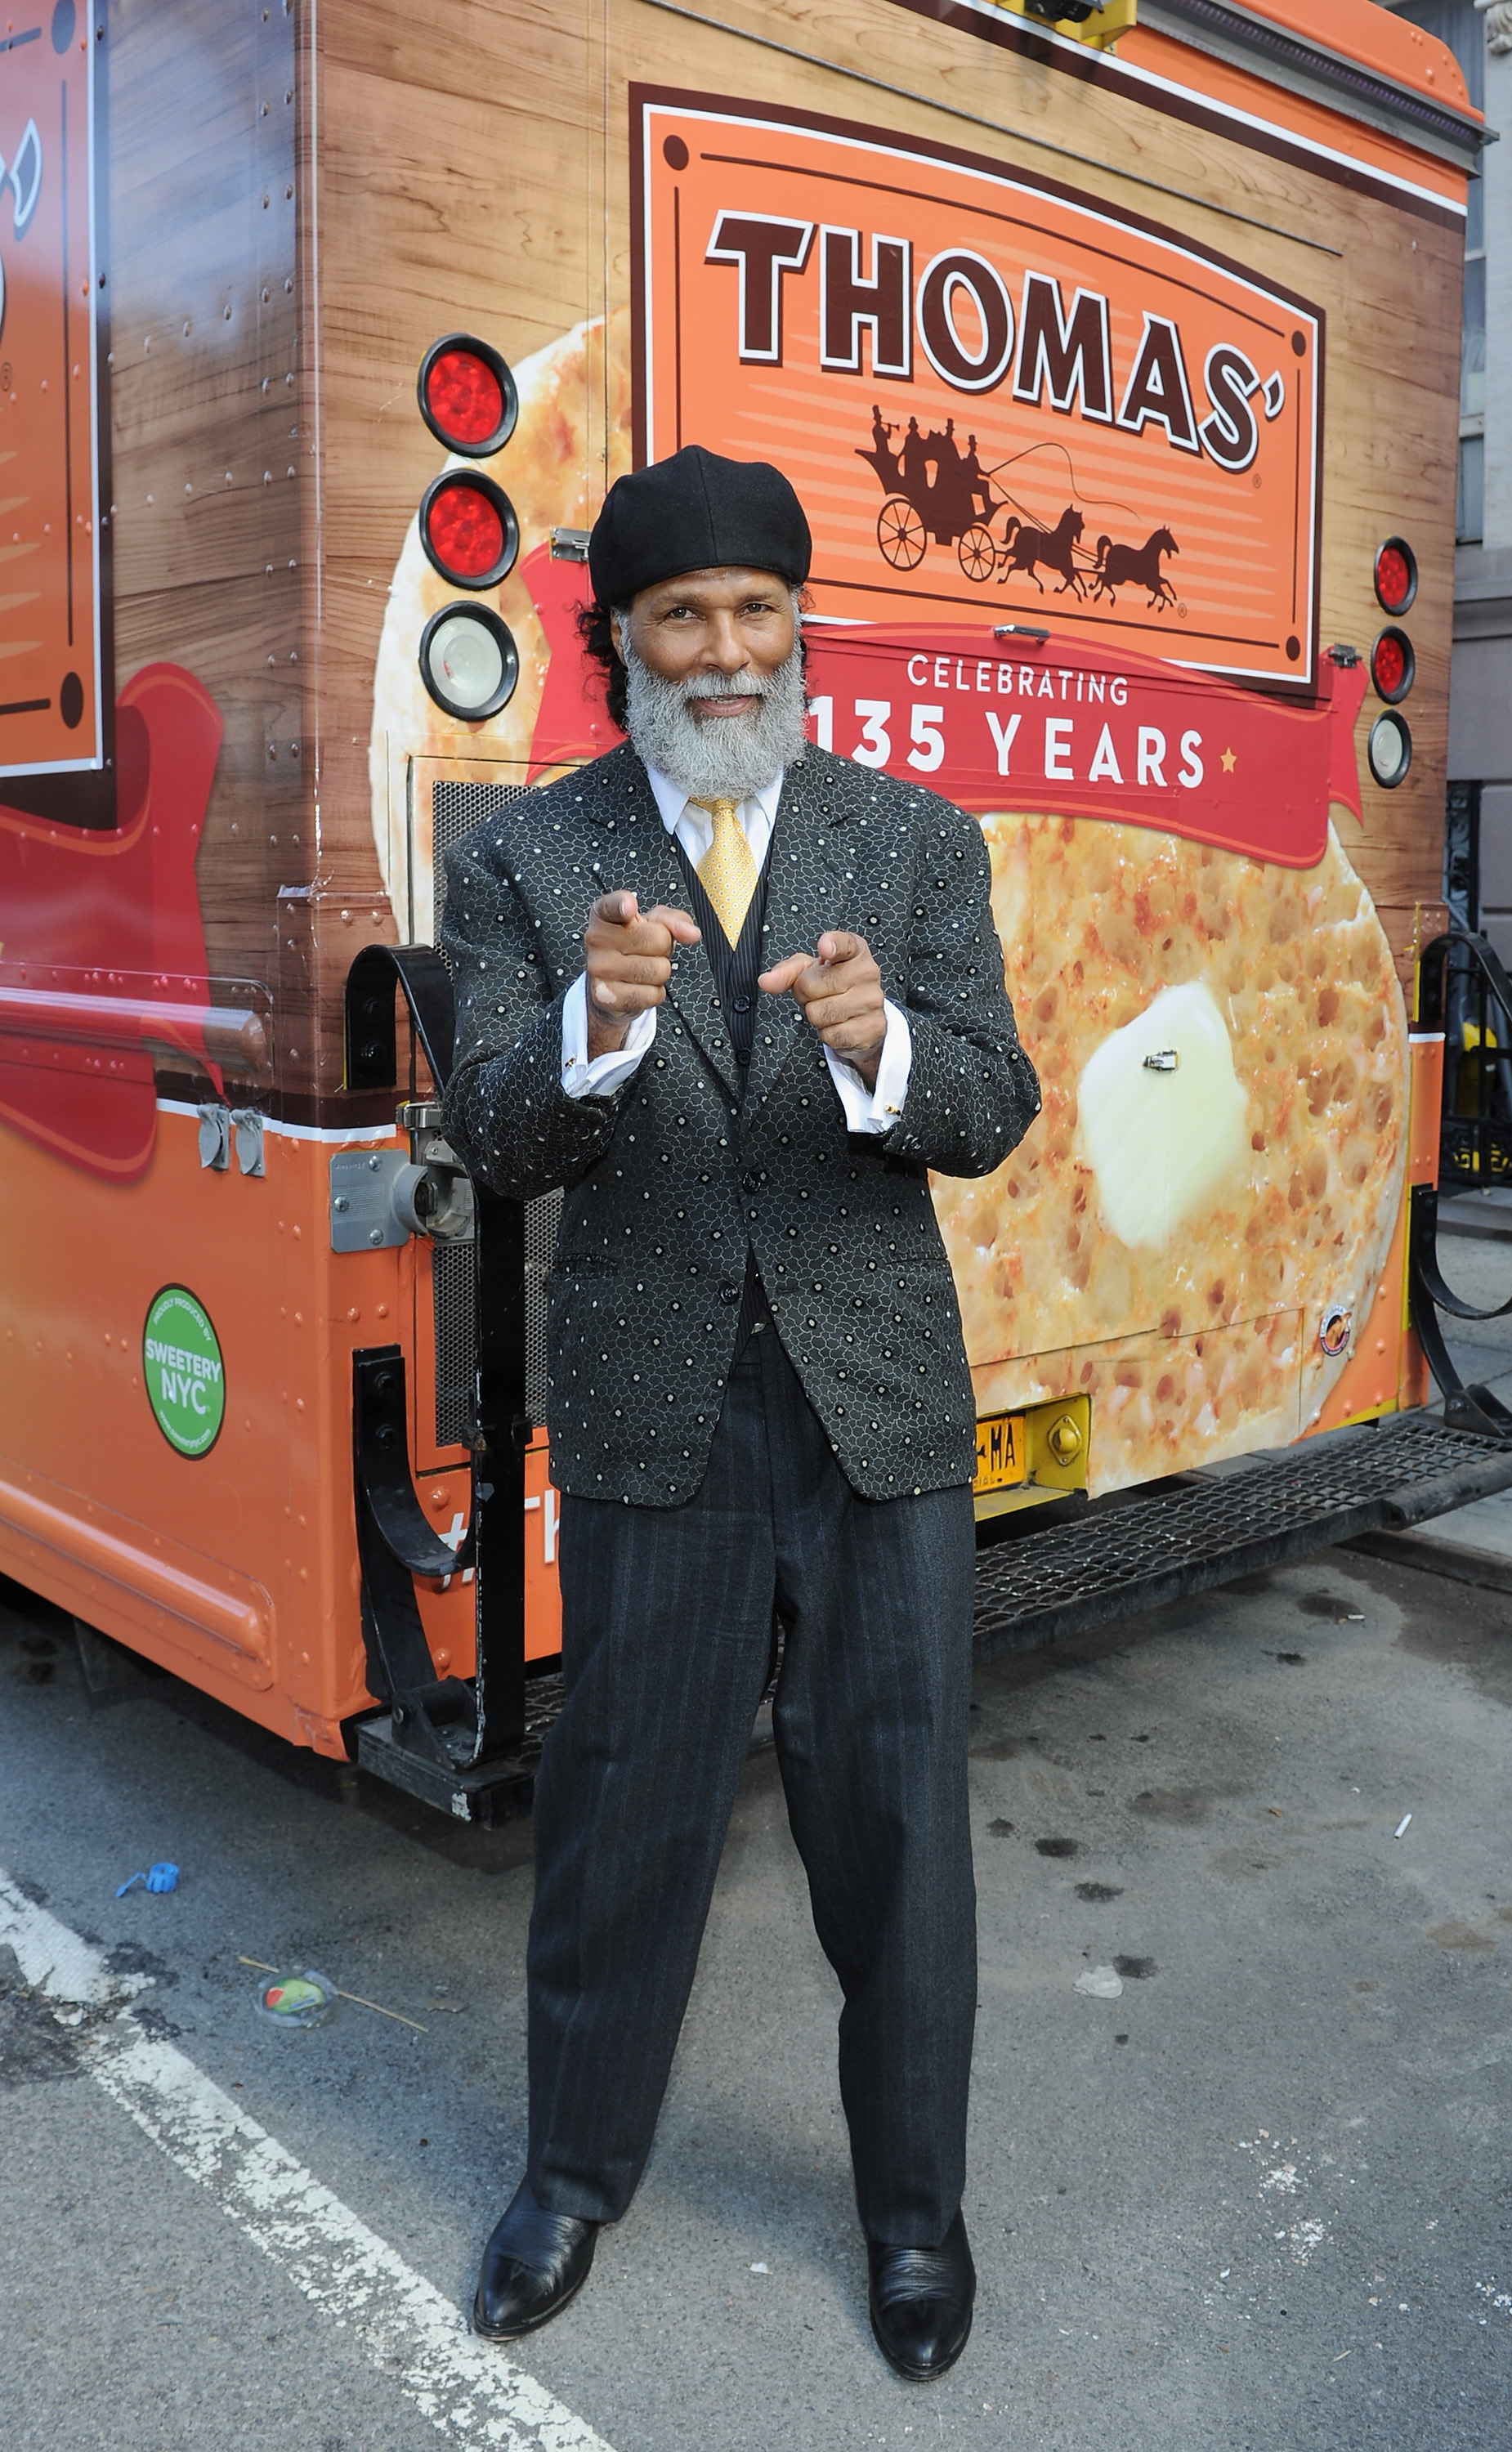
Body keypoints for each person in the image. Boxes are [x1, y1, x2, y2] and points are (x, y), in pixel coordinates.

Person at [438, 444, 1040, 2383]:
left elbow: (992, 1109)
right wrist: (591, 1032)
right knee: (624, 1814)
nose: (721, 652)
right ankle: (569, 2178)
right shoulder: (526, 856)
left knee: (892, 1823)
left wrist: (886, 1049)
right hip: (651, 1410)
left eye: (753, 615)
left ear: (799, 632)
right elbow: (498, 1140)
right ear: (615, 640)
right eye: (679, 617)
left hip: (873, 1410)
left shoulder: (913, 840)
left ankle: (913, 2218)